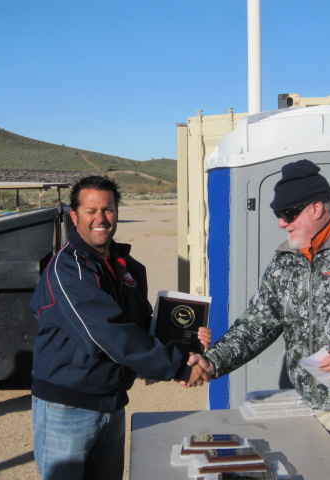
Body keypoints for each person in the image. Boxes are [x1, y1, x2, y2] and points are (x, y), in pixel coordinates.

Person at [185, 159, 330, 480]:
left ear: (316, 208)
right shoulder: (287, 258)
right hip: (313, 401)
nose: (281, 223)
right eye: (278, 214)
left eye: (288, 214)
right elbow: (260, 321)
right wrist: (213, 362)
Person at [30, 174, 211, 480]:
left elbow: (140, 326)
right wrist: (179, 366)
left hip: (112, 402)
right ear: (75, 216)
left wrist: (188, 343)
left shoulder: (124, 266)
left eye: (108, 209)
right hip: (67, 407)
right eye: (91, 210)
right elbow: (107, 334)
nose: (100, 219)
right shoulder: (67, 269)